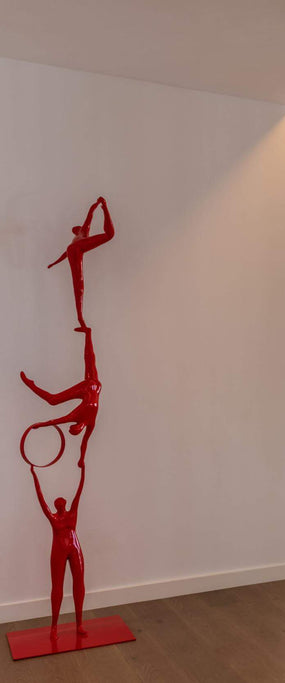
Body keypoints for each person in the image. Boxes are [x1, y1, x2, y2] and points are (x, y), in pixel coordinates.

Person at [20, 326, 101, 468]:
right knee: (89, 359)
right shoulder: (88, 422)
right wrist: (81, 459)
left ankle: (30, 384)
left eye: (72, 429)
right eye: (75, 430)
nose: (74, 428)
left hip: (89, 388)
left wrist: (39, 425)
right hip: (93, 386)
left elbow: (56, 421)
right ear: (79, 429)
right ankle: (88, 333)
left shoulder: (76, 418)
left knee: (54, 400)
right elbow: (84, 442)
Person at [31, 460, 86, 640]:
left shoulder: (73, 512)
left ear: (65, 503)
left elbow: (80, 489)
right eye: (58, 503)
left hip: (74, 548)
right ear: (56, 506)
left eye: (62, 503)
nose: (61, 504)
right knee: (57, 587)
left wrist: (83, 469)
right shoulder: (53, 517)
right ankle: (54, 627)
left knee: (79, 583)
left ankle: (79, 624)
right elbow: (41, 499)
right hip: (59, 551)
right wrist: (34, 476)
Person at [48, 197, 114, 329]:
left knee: (78, 282)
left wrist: (99, 203)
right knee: (77, 281)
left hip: (75, 250)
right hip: (74, 250)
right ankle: (80, 318)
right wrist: (54, 263)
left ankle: (81, 319)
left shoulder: (83, 231)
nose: (75, 231)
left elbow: (90, 215)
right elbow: (65, 254)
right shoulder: (78, 237)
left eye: (76, 229)